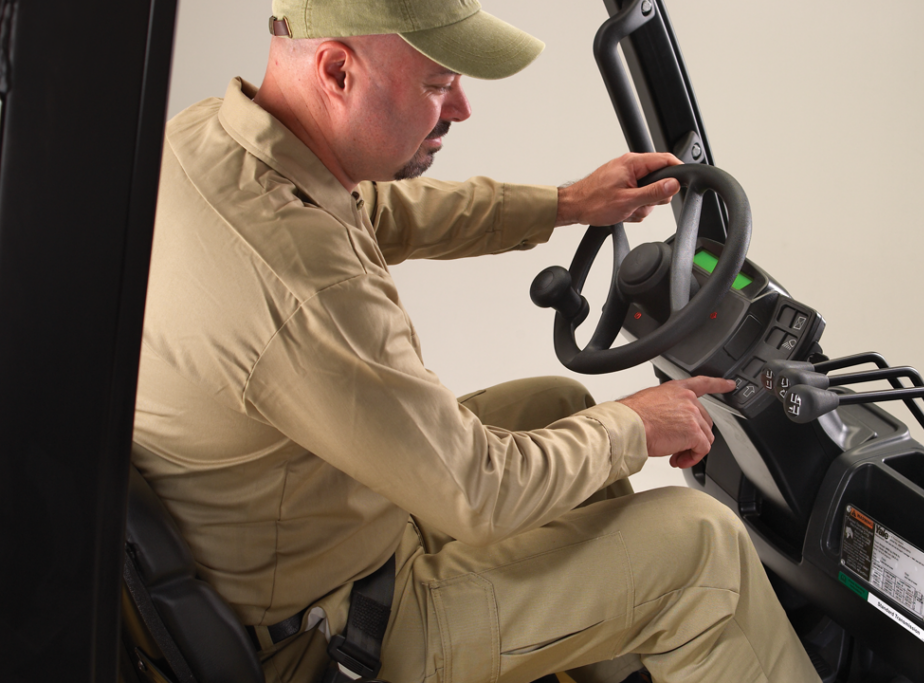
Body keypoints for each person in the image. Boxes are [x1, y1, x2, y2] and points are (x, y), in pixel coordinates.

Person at [132, 1, 821, 682]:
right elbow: (481, 491)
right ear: (338, 71)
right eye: (437, 84)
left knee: (557, 402)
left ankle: (633, 651)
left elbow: (371, 210)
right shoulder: (302, 283)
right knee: (705, 549)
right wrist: (637, 421)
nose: (461, 107)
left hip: (313, 528)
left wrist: (564, 203)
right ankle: (684, 610)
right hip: (331, 634)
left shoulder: (215, 141)